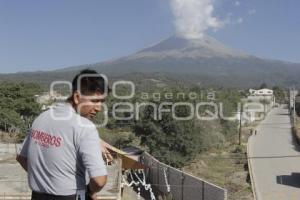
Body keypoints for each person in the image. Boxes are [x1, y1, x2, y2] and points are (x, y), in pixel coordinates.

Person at [17, 69, 110, 200]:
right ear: (77, 97)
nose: (99, 107)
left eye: (102, 102)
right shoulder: (85, 127)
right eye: (95, 101)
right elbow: (100, 180)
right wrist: (88, 191)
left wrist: (46, 181)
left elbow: (22, 158)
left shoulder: (42, 117)